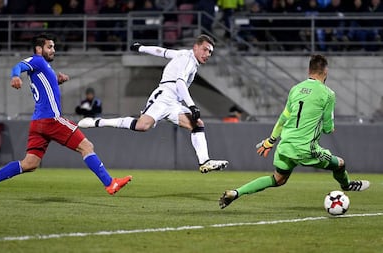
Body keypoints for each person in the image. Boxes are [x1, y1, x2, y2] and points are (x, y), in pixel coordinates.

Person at [0, 33, 132, 201]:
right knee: (86, 146)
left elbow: (44, 86)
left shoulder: (44, 68)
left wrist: (57, 80)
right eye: (49, 47)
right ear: (38, 49)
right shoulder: (37, 60)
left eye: (54, 47)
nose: (53, 50)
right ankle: (109, 183)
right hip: (51, 119)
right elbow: (19, 66)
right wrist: (15, 76)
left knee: (30, 164)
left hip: (38, 123)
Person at [219, 54, 370, 209]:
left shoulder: (295, 89)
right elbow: (327, 129)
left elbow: (283, 118)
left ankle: (236, 193)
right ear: (326, 72)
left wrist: (270, 140)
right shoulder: (328, 94)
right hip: (307, 149)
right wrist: (329, 125)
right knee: (339, 164)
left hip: (285, 145)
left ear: (308, 71)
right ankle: (346, 186)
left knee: (278, 179)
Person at [78, 34, 229, 173]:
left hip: (173, 101)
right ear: (195, 47)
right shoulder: (189, 60)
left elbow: (161, 51)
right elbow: (180, 82)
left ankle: (204, 161)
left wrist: (141, 48)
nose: (207, 54)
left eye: (210, 52)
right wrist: (191, 105)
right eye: (205, 49)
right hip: (163, 97)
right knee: (141, 126)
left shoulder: (183, 54)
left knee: (197, 124)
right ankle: (99, 122)